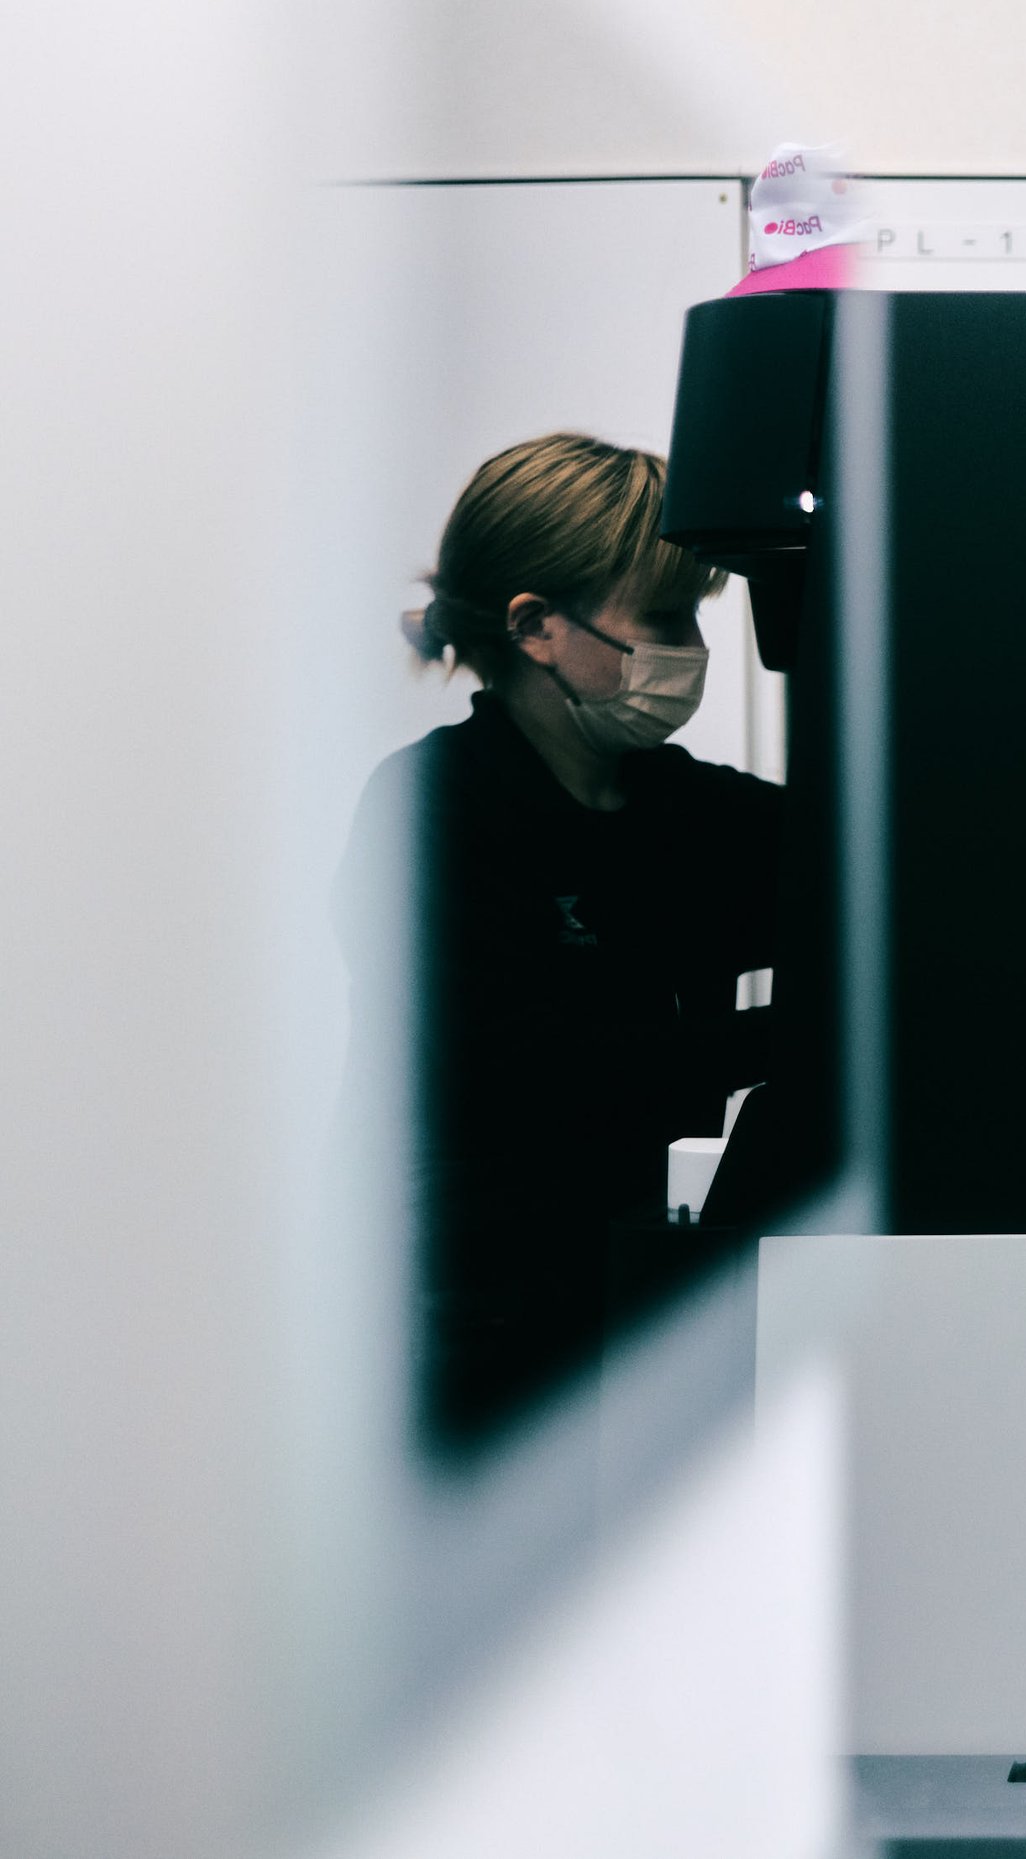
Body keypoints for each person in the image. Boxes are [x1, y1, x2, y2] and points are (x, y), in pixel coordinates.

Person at [338, 431, 782, 1448]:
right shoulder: (435, 809)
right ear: (537, 628)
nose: (693, 652)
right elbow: (530, 1071)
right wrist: (778, 1042)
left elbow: (866, 853)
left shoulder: (683, 813)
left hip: (637, 1297)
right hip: (469, 1319)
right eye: (664, 618)